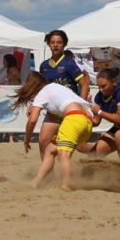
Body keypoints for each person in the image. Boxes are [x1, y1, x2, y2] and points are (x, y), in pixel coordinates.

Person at [12, 72, 93, 190]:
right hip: (87, 121)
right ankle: (35, 182)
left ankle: (66, 184)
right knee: (50, 149)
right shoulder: (56, 87)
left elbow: (32, 120)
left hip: (74, 118)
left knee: (63, 154)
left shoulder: (42, 94)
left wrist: (27, 139)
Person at [38, 30, 90, 161]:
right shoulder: (44, 66)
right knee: (43, 141)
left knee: (66, 148)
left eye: (59, 42)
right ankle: (48, 175)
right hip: (53, 111)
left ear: (64, 45)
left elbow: (84, 84)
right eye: (52, 42)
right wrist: (34, 106)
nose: (55, 45)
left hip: (69, 111)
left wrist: (82, 105)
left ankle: (96, 155)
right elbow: (41, 89)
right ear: (48, 45)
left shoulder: (69, 63)